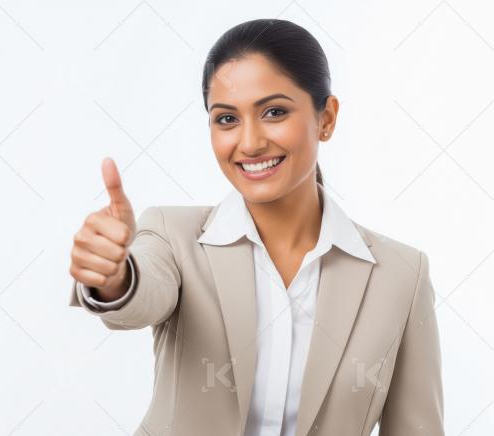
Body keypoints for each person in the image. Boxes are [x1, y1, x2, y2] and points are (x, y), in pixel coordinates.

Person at [67, 18, 444, 436]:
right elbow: (140, 296)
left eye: (274, 112)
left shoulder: (402, 277)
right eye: (226, 119)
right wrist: (114, 277)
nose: (249, 143)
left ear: (327, 118)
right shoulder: (173, 237)